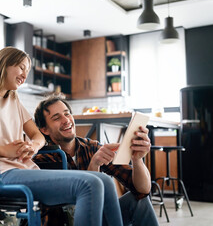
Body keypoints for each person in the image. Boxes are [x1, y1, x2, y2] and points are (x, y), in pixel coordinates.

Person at [0, 46, 125, 226]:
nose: (24, 74)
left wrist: (33, 146)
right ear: (3, 63)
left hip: (24, 169)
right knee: (89, 184)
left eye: (27, 70)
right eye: (21, 67)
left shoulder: (13, 99)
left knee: (104, 181)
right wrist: (3, 150)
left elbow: (37, 135)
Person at [33, 95, 159, 226]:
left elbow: (142, 190)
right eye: (57, 118)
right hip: (67, 222)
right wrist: (94, 166)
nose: (66, 120)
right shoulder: (43, 159)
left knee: (138, 200)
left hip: (97, 219)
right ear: (44, 129)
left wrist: (137, 159)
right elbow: (73, 210)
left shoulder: (91, 147)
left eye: (67, 114)